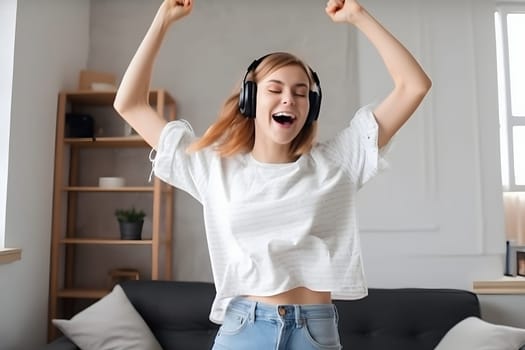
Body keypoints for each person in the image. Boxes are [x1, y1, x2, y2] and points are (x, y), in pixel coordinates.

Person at [113, 0, 431, 349]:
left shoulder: (339, 162)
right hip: (244, 329)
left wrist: (358, 16)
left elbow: (413, 86)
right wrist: (163, 20)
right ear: (249, 99)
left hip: (315, 332)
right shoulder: (214, 167)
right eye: (275, 89)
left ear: (311, 108)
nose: (289, 100)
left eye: (300, 93)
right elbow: (130, 104)